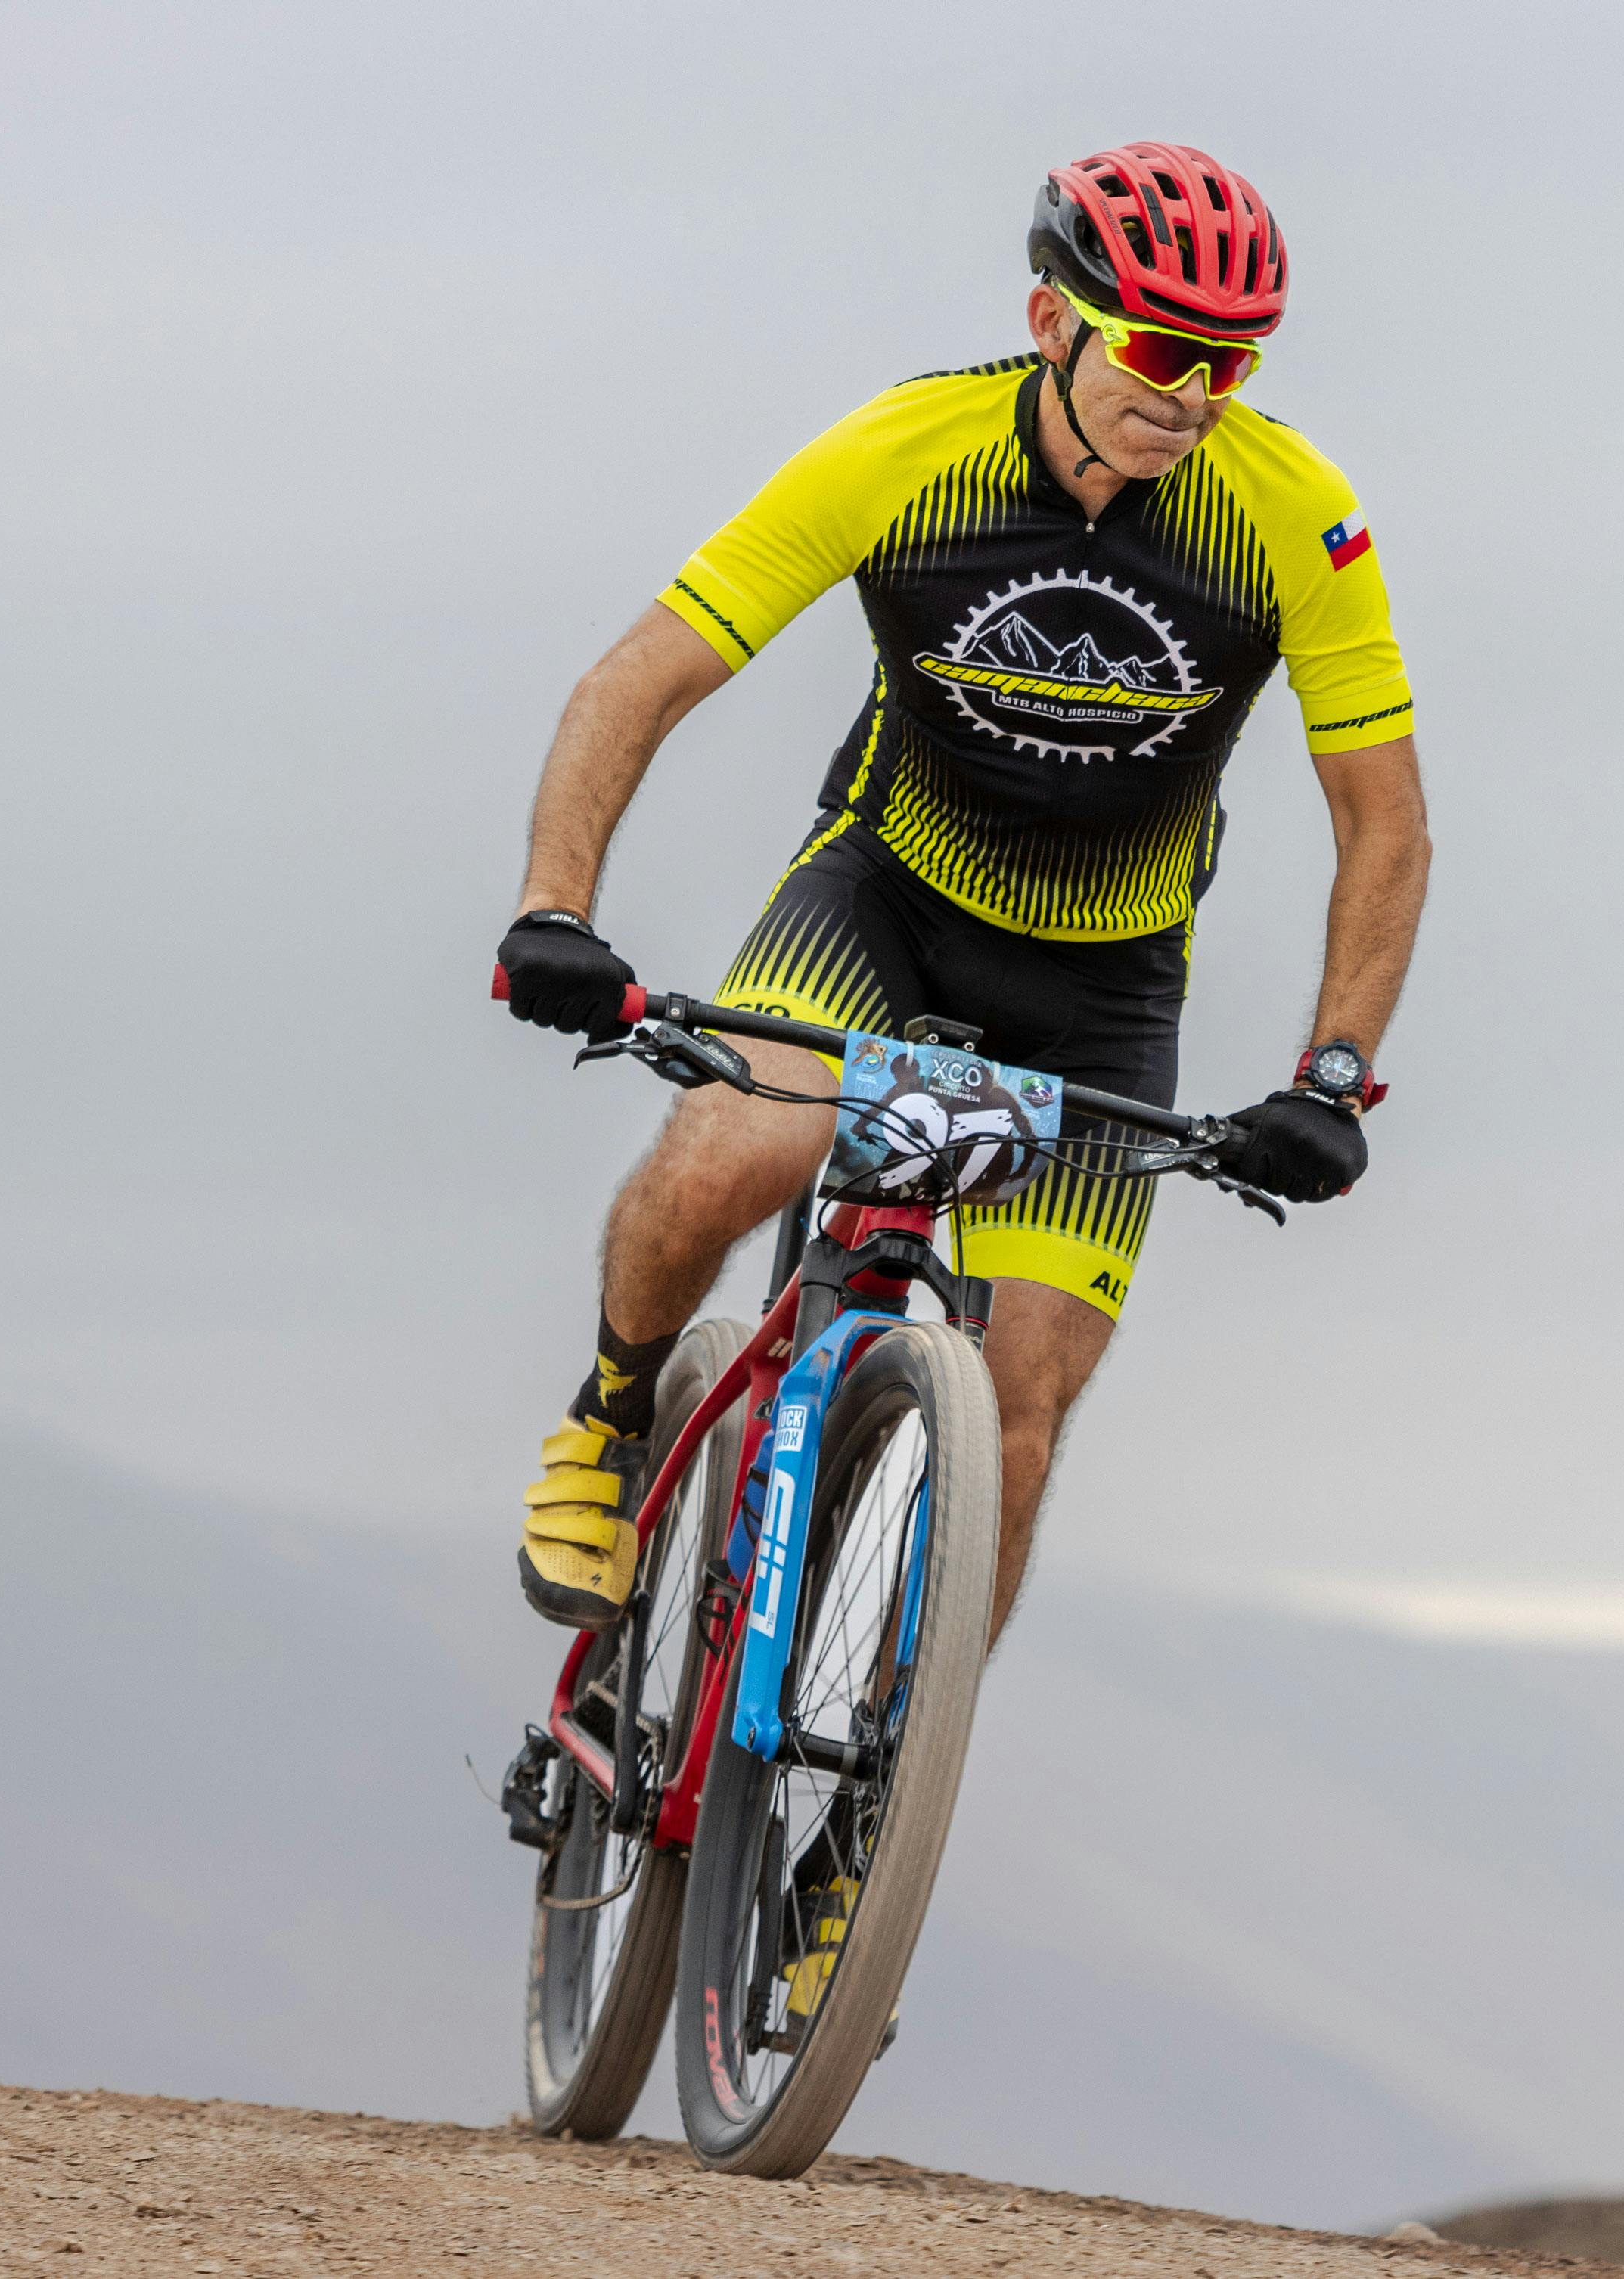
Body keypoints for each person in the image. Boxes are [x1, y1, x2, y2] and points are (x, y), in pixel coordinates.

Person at [496, 141, 1432, 1644]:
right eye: (1162, 347)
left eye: (1232, 364)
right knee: (743, 1147)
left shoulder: (1291, 515)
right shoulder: (904, 451)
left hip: (1102, 989)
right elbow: (640, 678)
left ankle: (868, 1797)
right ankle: (609, 1418)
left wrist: (1331, 1074)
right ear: (1052, 318)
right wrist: (555, 908)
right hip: (881, 911)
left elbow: (1379, 819)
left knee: (1015, 1416)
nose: (1192, 393)